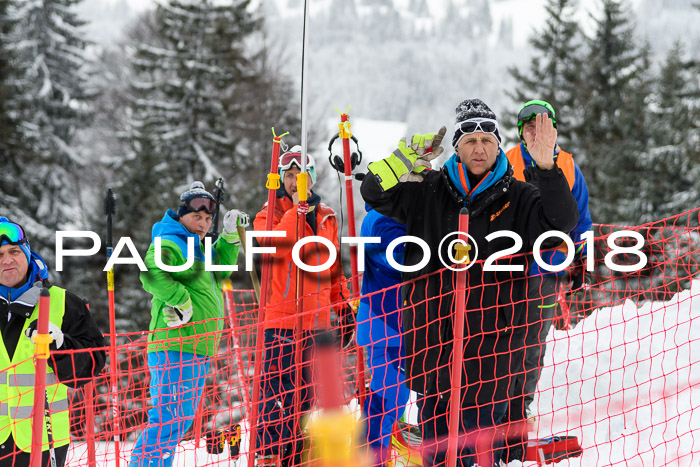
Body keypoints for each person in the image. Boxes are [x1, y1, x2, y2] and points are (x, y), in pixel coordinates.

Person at [361, 99, 579, 466]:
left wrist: (547, 168)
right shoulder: (428, 190)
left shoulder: (519, 196)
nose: (479, 148)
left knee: (480, 449)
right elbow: (372, 192)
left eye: (487, 140)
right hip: (434, 344)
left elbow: (562, 223)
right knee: (438, 450)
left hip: (492, 348)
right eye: (470, 139)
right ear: (457, 147)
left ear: (498, 146)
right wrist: (401, 161)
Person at [129, 181, 248, 467]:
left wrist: (230, 238)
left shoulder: (198, 248)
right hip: (176, 347)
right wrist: (181, 301)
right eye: (197, 216)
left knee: (174, 425)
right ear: (182, 215)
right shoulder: (170, 241)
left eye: (208, 219)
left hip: (196, 349)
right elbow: (150, 274)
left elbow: (221, 273)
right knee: (167, 423)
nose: (203, 223)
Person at [502, 100, 593, 461]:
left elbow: (581, 219)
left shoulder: (568, 165)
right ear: (520, 130)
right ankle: (490, 416)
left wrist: (579, 260)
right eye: (528, 125)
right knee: (500, 342)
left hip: (548, 273)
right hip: (505, 272)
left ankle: (516, 419)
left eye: (542, 125)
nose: (534, 131)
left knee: (532, 347)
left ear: (553, 128)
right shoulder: (505, 162)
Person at [252, 145, 353, 466]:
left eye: (301, 174)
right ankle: (268, 452)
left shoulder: (327, 217)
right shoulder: (267, 214)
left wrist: (342, 308)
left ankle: (296, 457)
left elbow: (332, 267)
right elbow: (277, 244)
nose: (296, 180)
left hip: (315, 321)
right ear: (281, 178)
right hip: (280, 318)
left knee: (305, 396)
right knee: (272, 393)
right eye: (289, 175)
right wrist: (296, 211)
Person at [0, 217, 106, 467]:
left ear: (27, 252)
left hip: (43, 439)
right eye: (0, 254)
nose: (6, 260)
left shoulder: (62, 303)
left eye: (14, 251)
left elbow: (93, 364)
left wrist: (60, 346)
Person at [356, 206, 408, 466]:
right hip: (388, 326)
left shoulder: (396, 214)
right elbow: (399, 255)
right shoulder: (383, 217)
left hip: (400, 323)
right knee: (388, 399)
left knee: (392, 398)